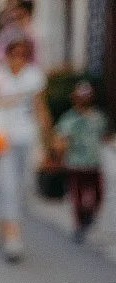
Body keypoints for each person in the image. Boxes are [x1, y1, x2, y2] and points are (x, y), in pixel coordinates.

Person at [0, 36, 48, 262]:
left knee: (19, 186)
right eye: (13, 55)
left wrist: (50, 140)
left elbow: (40, 108)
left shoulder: (33, 76)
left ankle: (4, 222)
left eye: (22, 56)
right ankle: (12, 236)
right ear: (6, 56)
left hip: (26, 138)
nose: (17, 60)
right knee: (8, 184)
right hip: (2, 138)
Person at [0, 0, 39, 188]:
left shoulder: (31, 36)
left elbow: (35, 62)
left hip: (22, 95)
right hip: (4, 91)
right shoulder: (8, 35)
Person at [54, 80, 111, 243]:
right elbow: (61, 138)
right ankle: (80, 225)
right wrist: (58, 154)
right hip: (76, 162)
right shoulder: (69, 118)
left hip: (93, 162)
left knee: (98, 194)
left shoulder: (98, 117)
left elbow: (104, 136)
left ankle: (90, 215)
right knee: (77, 196)